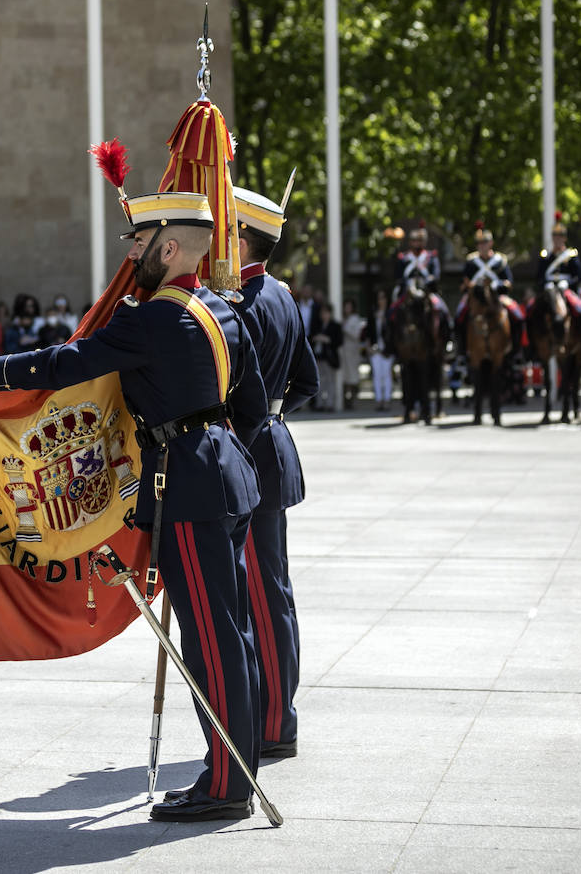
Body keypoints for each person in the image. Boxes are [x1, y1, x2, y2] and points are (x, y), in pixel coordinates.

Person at [0, 189, 266, 823]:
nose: (130, 256)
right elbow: (247, 402)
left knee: (210, 638)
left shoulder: (153, 319)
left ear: (167, 248)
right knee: (231, 627)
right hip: (226, 473)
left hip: (189, 484)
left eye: (138, 244)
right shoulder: (219, 310)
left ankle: (227, 785)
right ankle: (234, 767)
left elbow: (63, 364)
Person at [219, 184, 319, 759]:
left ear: (242, 238)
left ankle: (276, 724)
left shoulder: (242, 305)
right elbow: (306, 383)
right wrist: (276, 418)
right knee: (272, 590)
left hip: (249, 454)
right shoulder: (282, 296)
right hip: (274, 446)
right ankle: (279, 715)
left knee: (259, 593)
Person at [457, 225, 524, 357]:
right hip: (475, 297)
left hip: (498, 296)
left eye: (485, 243)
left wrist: (494, 285)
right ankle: (461, 351)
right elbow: (463, 284)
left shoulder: (500, 261)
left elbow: (509, 282)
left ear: (491, 243)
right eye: (479, 243)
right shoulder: (471, 262)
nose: (482, 246)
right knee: (459, 315)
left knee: (518, 316)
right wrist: (471, 286)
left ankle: (516, 351)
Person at [531, 217, 581, 358]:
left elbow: (578, 276)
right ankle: (533, 347)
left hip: (567, 290)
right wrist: (546, 284)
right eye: (555, 236)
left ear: (564, 238)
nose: (557, 239)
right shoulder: (545, 256)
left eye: (560, 236)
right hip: (549, 290)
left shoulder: (571, 255)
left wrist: (568, 283)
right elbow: (539, 277)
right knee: (532, 311)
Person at [363, 289, 395, 411]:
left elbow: (393, 331)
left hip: (387, 349)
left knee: (387, 375)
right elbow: (368, 331)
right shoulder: (373, 313)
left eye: (383, 298)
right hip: (375, 349)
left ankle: (387, 399)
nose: (381, 301)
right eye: (379, 298)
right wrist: (368, 346)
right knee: (377, 375)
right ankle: (379, 400)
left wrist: (384, 321)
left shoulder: (391, 313)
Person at [309, 302, 342, 411]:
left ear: (330, 313)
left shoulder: (335, 325)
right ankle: (319, 404)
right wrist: (317, 338)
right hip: (318, 356)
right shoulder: (316, 325)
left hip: (329, 357)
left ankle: (330, 404)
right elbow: (310, 338)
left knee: (330, 381)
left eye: (326, 313)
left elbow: (339, 341)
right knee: (319, 382)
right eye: (322, 313)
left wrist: (327, 340)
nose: (324, 315)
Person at [340, 299, 365, 409]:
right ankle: (346, 400)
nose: (347, 309)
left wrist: (345, 328)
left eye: (349, 307)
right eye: (346, 306)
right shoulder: (342, 318)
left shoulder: (356, 319)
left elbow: (356, 335)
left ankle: (353, 399)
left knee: (353, 376)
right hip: (343, 351)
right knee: (344, 377)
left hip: (352, 351)